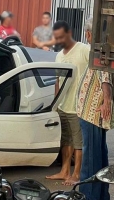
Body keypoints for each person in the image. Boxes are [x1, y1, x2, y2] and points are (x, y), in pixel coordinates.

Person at [45, 21, 90, 186]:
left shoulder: (84, 50)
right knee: (66, 141)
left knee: (78, 143)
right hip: (63, 105)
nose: (59, 40)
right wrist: (55, 104)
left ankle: (77, 174)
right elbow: (57, 81)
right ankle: (65, 171)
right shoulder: (59, 56)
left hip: (78, 106)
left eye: (61, 36)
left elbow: (97, 71)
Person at [76, 17, 112, 200]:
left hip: (92, 113)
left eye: (86, 32)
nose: (86, 36)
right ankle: (101, 196)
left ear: (90, 33)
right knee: (99, 156)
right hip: (92, 114)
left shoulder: (99, 50)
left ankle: (89, 197)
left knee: (91, 159)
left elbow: (105, 77)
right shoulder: (101, 49)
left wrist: (106, 101)